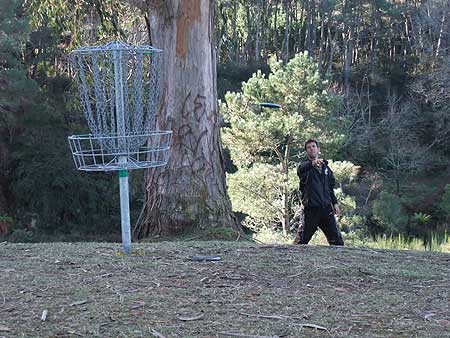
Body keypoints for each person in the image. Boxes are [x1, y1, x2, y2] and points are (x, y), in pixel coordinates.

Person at [294, 139, 344, 246]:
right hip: (311, 210)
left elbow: (330, 189)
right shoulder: (304, 168)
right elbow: (301, 169)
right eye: (308, 148)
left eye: (313, 146)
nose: (311, 149)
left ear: (318, 149)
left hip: (326, 210)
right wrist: (312, 163)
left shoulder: (327, 169)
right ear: (306, 151)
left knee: (338, 243)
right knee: (301, 242)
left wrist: (335, 204)